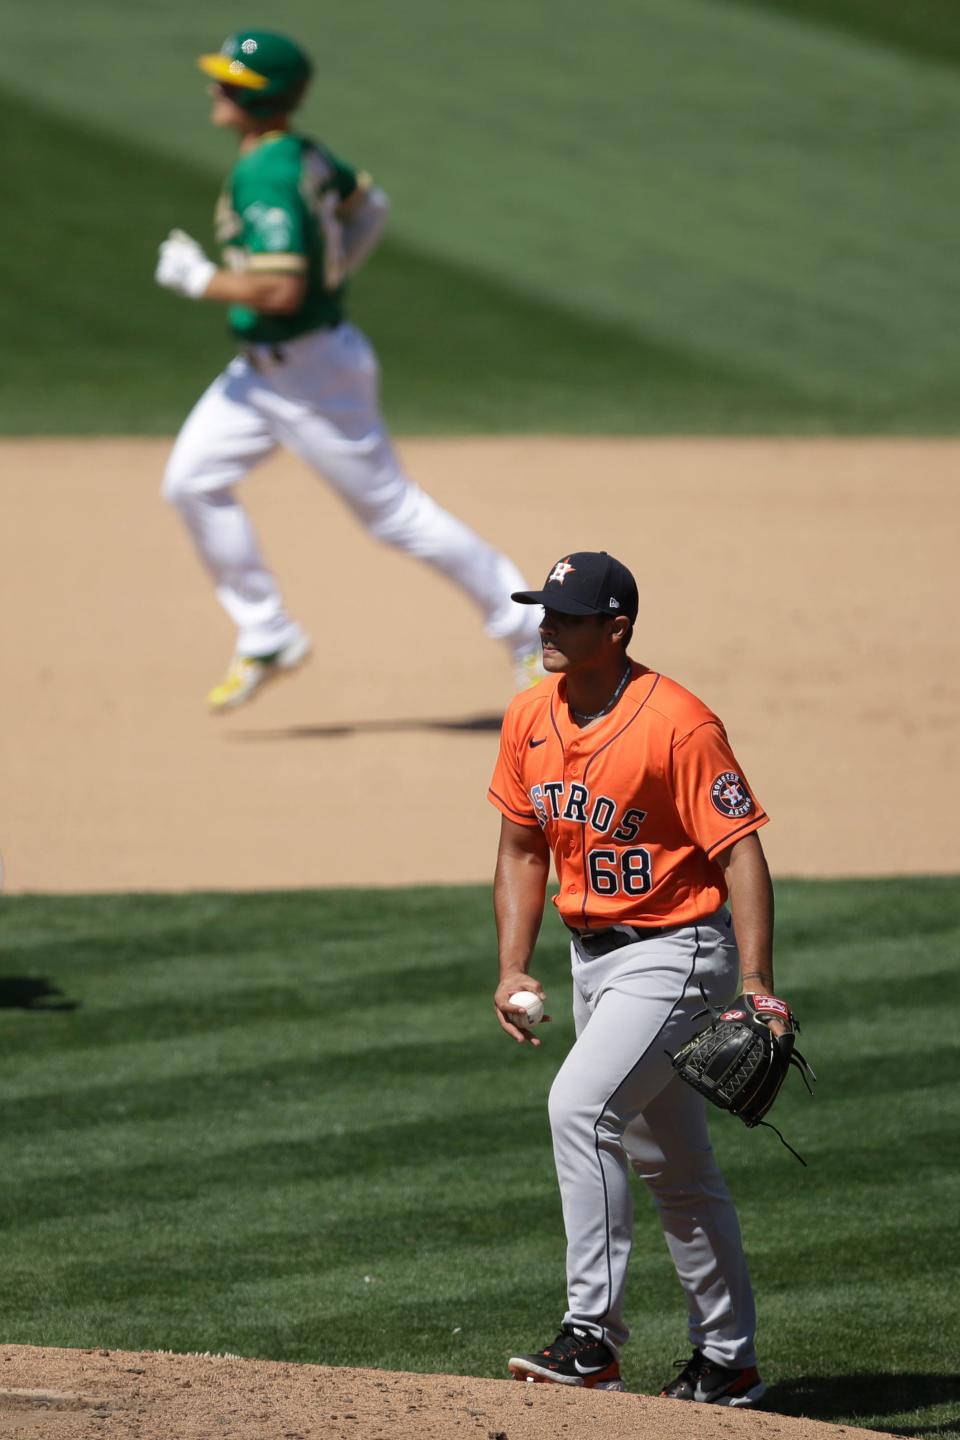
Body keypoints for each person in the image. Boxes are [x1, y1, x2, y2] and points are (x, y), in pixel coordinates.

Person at [154, 29, 542, 711]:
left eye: (228, 82)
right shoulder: (299, 152)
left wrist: (199, 280)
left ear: (257, 95)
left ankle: (529, 628)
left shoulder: (267, 172)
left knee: (393, 514)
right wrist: (334, 281)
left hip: (313, 378)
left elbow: (281, 290)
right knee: (191, 482)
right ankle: (267, 632)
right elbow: (372, 208)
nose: (214, 90)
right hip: (262, 374)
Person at [488, 550, 789, 1405]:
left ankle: (592, 1339)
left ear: (615, 630)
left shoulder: (679, 724)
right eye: (543, 610)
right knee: (677, 1167)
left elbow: (740, 851)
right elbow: (519, 847)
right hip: (595, 962)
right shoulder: (527, 718)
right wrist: (513, 963)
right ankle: (729, 1361)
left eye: (567, 616)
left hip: (679, 952)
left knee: (579, 1110)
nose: (546, 626)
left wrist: (757, 979)